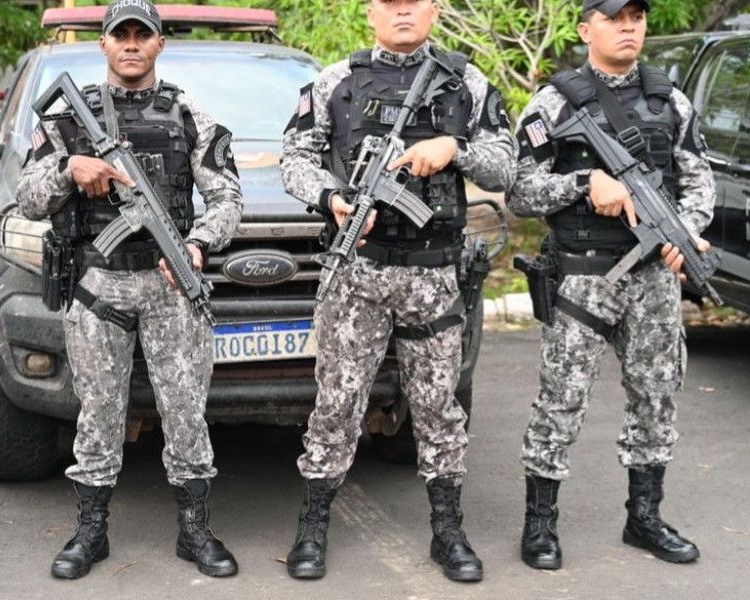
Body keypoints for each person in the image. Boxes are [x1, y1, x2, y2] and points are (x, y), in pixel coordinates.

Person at [280, 0, 517, 583]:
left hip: (433, 272)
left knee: (437, 406)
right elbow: (295, 159)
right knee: (336, 403)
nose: (403, 10)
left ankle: (448, 530)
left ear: (433, 11)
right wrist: (332, 199)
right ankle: (312, 525)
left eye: (414, 2)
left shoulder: (467, 82)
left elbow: (506, 167)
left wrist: (454, 149)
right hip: (357, 270)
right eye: (391, 2)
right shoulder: (336, 81)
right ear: (372, 13)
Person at [14, 0, 244, 581]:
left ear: (160, 43)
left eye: (144, 34)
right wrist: (71, 169)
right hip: (99, 284)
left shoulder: (189, 115)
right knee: (97, 412)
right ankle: (91, 531)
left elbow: (227, 198)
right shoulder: (69, 120)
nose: (133, 44)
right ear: (106, 45)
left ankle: (195, 529)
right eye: (122, 35)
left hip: (170, 286)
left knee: (186, 410)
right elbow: (29, 199)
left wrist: (198, 244)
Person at [507, 0, 715, 571]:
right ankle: (540, 525)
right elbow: (519, 191)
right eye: (614, 18)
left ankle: (644, 518)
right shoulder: (554, 103)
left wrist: (685, 232)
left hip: (654, 279)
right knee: (562, 399)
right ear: (585, 29)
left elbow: (699, 181)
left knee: (656, 395)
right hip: (583, 275)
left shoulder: (670, 101)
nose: (628, 28)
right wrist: (584, 181)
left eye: (636, 18)